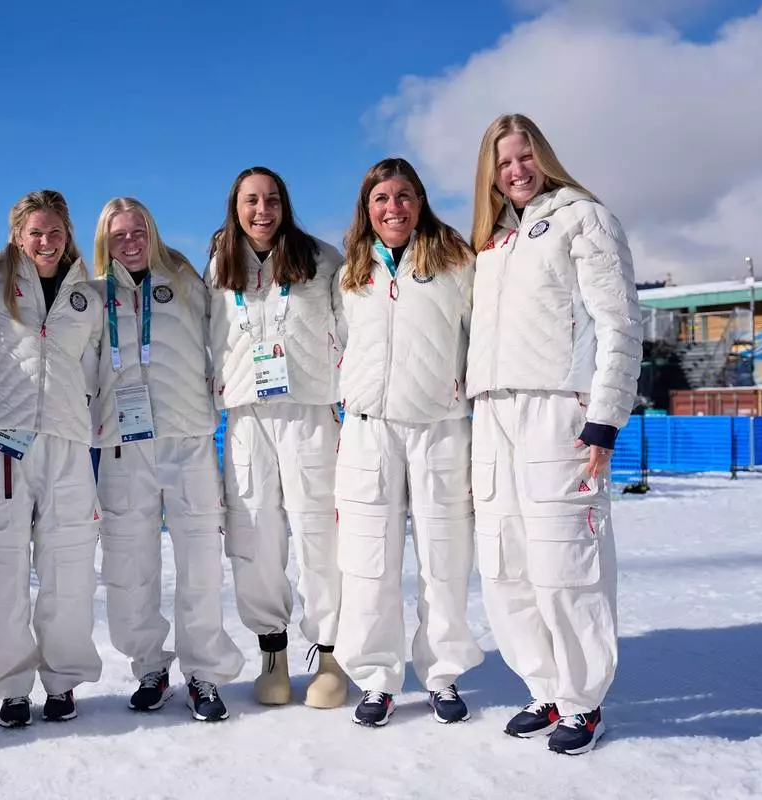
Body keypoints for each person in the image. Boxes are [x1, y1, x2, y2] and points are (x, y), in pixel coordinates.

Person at [467, 113, 642, 755]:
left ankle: (582, 701)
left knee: (564, 559)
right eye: (504, 162)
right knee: (506, 561)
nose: (516, 171)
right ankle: (543, 687)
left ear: (543, 156)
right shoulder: (491, 243)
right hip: (491, 412)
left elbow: (620, 322)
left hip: (555, 411)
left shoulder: (582, 217)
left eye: (525, 157)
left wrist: (604, 418)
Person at [332, 158, 484, 728]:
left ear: (420, 201)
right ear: (366, 208)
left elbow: (480, 335)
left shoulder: (456, 261)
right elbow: (334, 344)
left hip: (439, 427)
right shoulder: (349, 270)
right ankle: (377, 677)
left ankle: (442, 674)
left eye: (403, 196)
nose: (392, 208)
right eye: (380, 199)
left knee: (444, 558)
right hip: (369, 429)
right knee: (369, 561)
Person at [89, 197, 244, 722]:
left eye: (138, 231)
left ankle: (204, 672)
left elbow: (228, 333)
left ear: (151, 231)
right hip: (122, 445)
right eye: (118, 236)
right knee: (129, 566)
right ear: (104, 242)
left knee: (199, 563)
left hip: (188, 440)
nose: (129, 242)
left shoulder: (184, 281)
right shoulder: (89, 294)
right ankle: (149, 667)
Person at [206, 166, 348, 708]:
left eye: (271, 199)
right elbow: (205, 341)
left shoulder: (321, 259)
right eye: (250, 201)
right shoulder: (219, 266)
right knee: (254, 533)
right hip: (245, 416)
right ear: (235, 206)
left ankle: (331, 652)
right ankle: (273, 652)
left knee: (320, 530)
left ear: (285, 203)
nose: (261, 210)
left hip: (311, 409)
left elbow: (351, 331)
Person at [0, 190, 105, 727]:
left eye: (55, 232)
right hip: (1, 443)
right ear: (17, 236)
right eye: (35, 233)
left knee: (68, 569)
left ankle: (63, 680)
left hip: (67, 443)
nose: (46, 243)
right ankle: (9, 685)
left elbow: (98, 369)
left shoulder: (86, 298)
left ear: (68, 234)